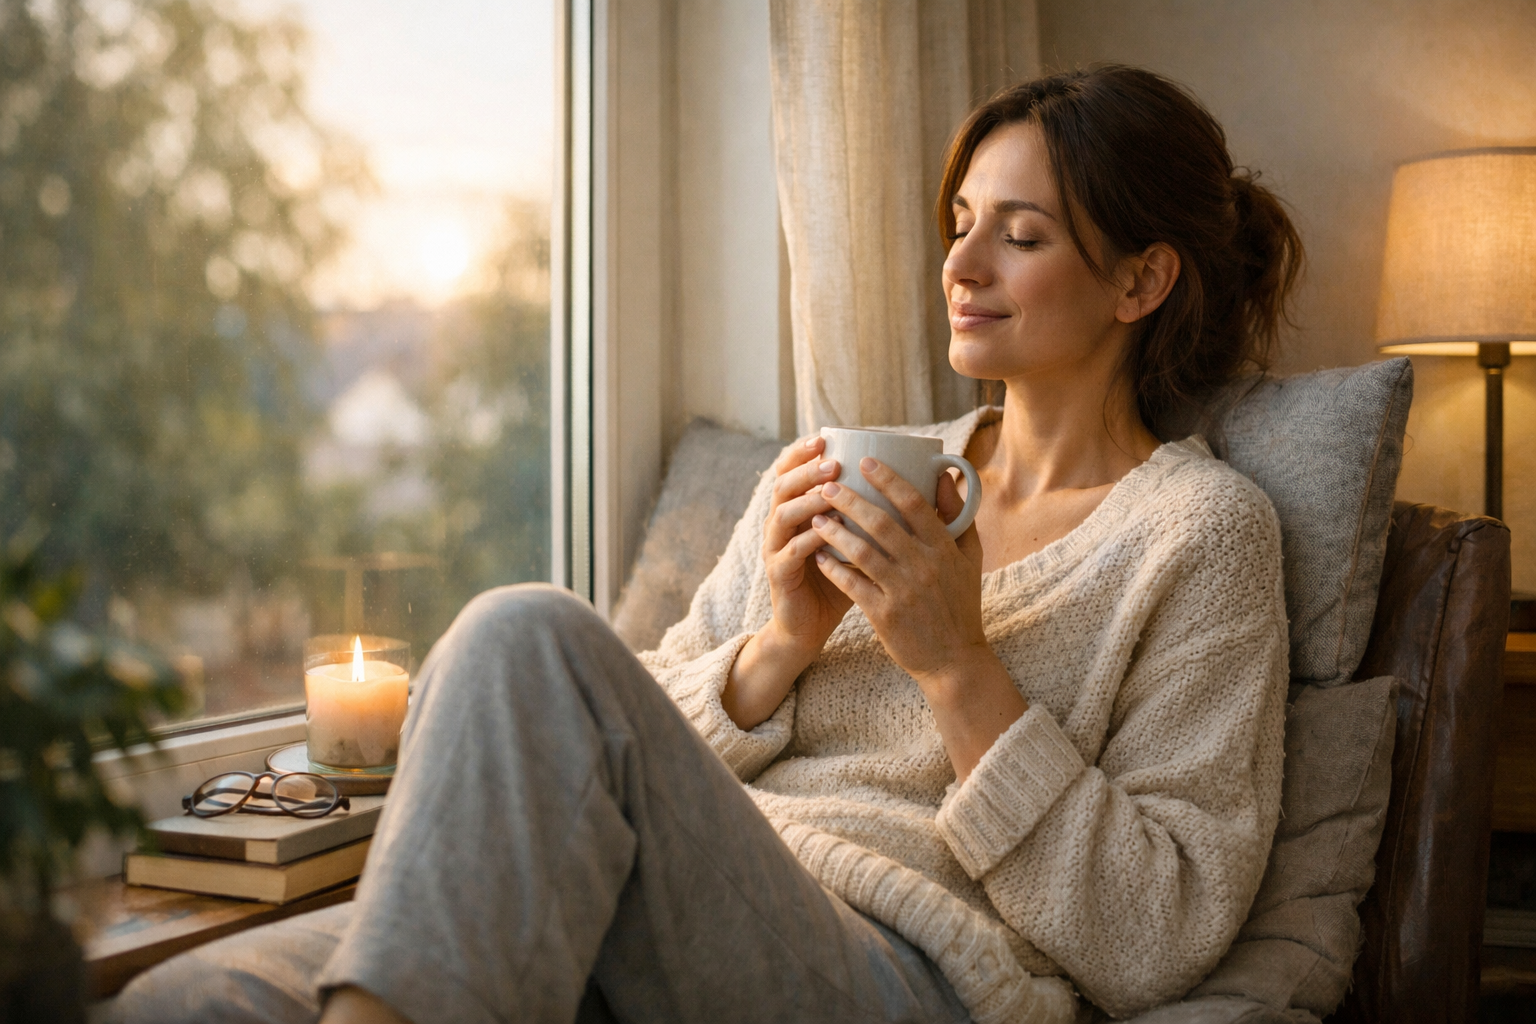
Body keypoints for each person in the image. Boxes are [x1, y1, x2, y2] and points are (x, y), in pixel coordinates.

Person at [111, 64, 1300, 1024]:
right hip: (662, 901)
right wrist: (775, 646)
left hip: (906, 966)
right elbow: (624, 743)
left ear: (1141, 280)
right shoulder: (855, 472)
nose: (960, 265)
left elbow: (1158, 931)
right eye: (959, 225)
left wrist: (956, 667)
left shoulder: (1200, 534)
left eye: (1020, 236)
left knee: (526, 632)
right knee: (201, 997)